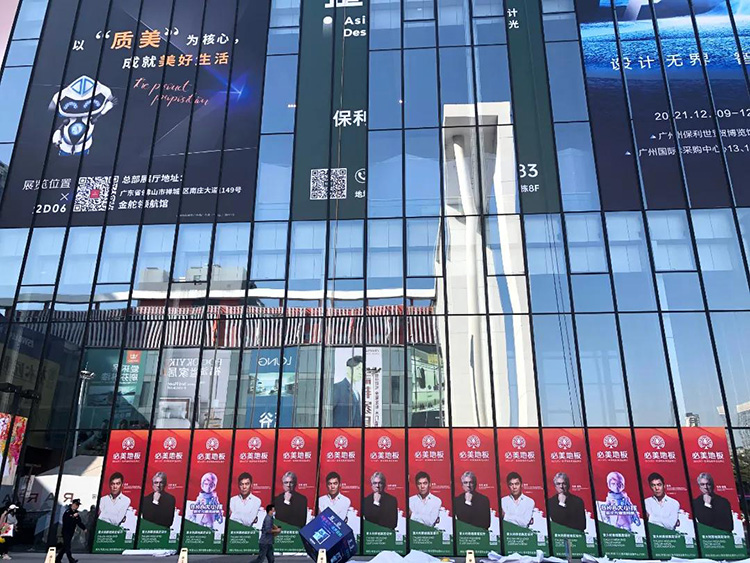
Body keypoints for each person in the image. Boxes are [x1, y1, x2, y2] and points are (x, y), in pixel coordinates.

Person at [332, 356, 363, 427]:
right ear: (348, 369)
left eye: (362, 370)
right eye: (358, 369)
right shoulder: (337, 388)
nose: (361, 373)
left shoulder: (357, 392)